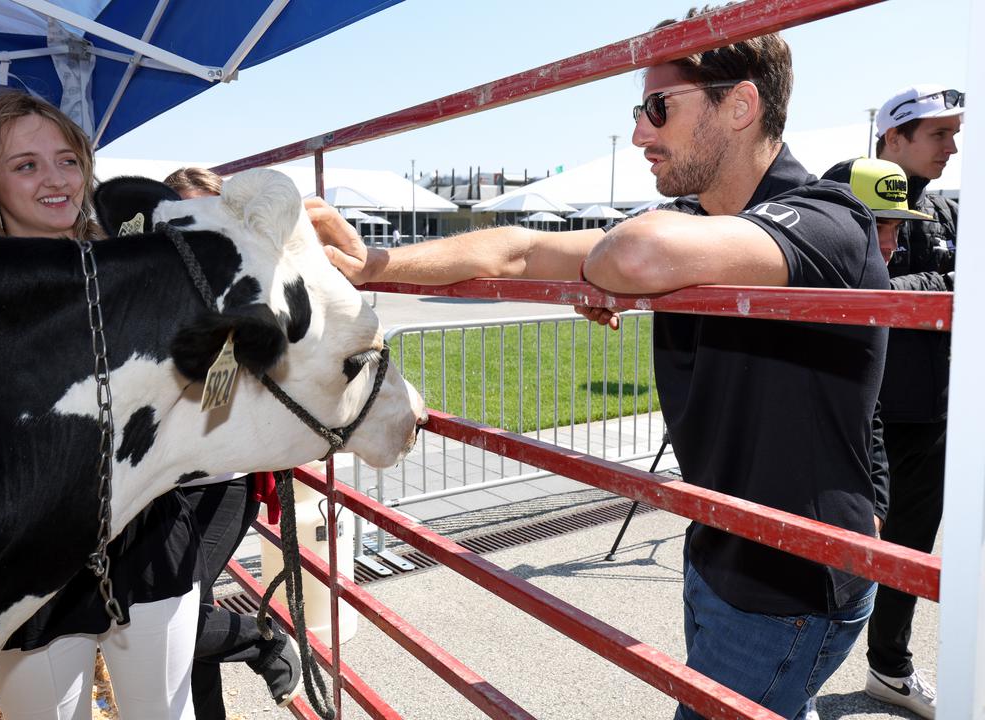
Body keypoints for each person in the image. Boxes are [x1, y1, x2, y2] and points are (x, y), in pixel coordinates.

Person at [307, 9, 889, 720]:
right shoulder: (701, 231)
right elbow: (519, 249)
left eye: (657, 108)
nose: (641, 132)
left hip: (791, 579)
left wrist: (621, 274)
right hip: (721, 547)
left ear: (741, 105)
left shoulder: (829, 217)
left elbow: (632, 255)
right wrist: (371, 265)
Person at [0, 91, 297, 719]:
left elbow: (209, 408)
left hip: (152, 540)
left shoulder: (141, 269)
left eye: (67, 159)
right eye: (25, 165)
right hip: (30, 572)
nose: (55, 180)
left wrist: (233, 348)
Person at [820, 86, 962, 720]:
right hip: (859, 408)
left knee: (909, 551)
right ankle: (792, 665)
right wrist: (942, 285)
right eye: (938, 134)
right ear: (893, 137)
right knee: (833, 543)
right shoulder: (846, 193)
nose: (953, 147)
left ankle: (889, 666)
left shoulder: (948, 211)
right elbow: (847, 281)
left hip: (932, 410)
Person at [161, 166, 302, 720]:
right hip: (160, 485)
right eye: (180, 220)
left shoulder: (254, 294)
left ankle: (261, 640)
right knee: (181, 617)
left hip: (224, 480)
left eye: (207, 218)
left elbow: (215, 402)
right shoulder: (156, 290)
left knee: (178, 620)